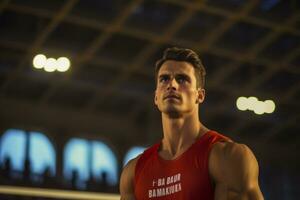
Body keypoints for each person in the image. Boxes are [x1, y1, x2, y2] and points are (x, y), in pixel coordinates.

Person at [120, 47, 264, 200]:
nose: (172, 85)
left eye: (182, 79)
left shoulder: (227, 158)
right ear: (156, 97)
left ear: (199, 95)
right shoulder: (133, 172)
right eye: (164, 79)